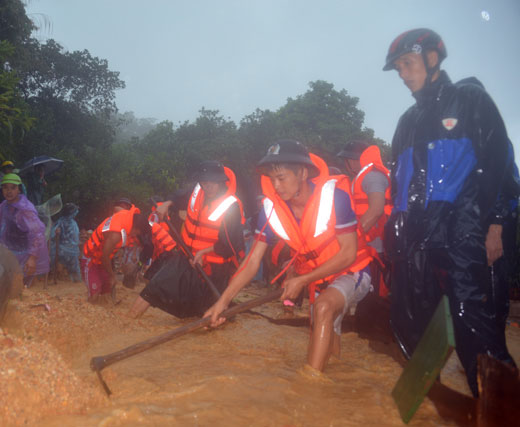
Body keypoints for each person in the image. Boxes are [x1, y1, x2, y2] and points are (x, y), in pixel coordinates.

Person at [382, 28, 518, 396]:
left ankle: (500, 402)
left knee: (470, 314)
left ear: (431, 59)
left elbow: (499, 165)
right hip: (418, 231)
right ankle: (433, 401)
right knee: (409, 315)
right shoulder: (407, 122)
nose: (404, 74)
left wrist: (497, 223)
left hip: (465, 224)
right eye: (398, 68)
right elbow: (400, 181)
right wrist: (394, 223)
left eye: (408, 64)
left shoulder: (471, 100)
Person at [204, 140, 373, 372]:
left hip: (354, 271)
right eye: (272, 179)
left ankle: (309, 388)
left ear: (302, 173)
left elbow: (348, 253)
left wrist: (302, 280)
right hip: (319, 282)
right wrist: (221, 303)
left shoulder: (336, 198)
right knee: (329, 349)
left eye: (281, 178)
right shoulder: (270, 210)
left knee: (323, 308)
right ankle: (334, 393)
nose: (276, 185)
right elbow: (252, 262)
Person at [127, 160, 245, 319]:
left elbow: (231, 246)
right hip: (186, 255)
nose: (207, 187)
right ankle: (127, 321)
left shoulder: (232, 206)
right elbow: (178, 195)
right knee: (154, 287)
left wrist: (204, 253)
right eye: (204, 182)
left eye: (212, 183)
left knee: (207, 315)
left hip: (214, 267)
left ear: (221, 181)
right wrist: (167, 203)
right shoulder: (197, 191)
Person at [0, 173, 49, 287]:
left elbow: (37, 233)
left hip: (25, 256)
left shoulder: (25, 209)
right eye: (5, 187)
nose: (9, 191)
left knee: (23, 291)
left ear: (19, 189)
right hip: (9, 254)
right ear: (1, 189)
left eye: (13, 187)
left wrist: (32, 258)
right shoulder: (5, 206)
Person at [338, 140, 392, 296]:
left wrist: (354, 238)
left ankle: (372, 319)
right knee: (367, 294)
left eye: (346, 160)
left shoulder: (372, 176)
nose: (345, 164)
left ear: (354, 161)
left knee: (375, 292)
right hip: (368, 242)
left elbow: (376, 210)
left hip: (376, 246)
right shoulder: (366, 176)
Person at [82, 204, 151, 304]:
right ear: (135, 228)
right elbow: (104, 256)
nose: (134, 236)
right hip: (91, 258)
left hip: (103, 261)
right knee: (95, 294)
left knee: (106, 291)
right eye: (136, 233)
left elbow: (116, 208)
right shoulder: (116, 235)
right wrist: (112, 275)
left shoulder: (125, 214)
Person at [50, 203, 82, 282]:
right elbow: (52, 235)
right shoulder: (60, 222)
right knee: (59, 264)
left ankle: (75, 280)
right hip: (62, 248)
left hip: (72, 248)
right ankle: (58, 278)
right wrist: (56, 232)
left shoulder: (73, 223)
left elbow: (75, 237)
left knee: (74, 266)